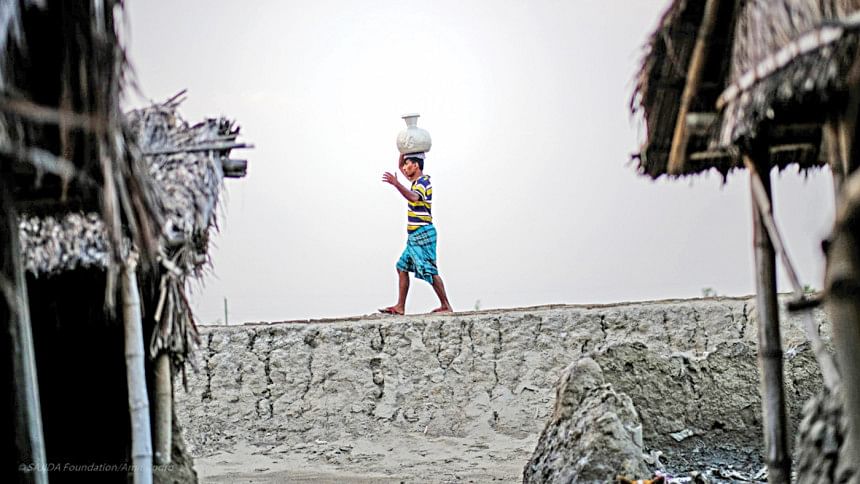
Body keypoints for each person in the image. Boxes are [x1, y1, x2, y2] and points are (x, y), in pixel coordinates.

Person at [380, 152, 452, 314]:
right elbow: (400, 166)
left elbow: (414, 197)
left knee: (429, 269)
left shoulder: (423, 182)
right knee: (401, 267)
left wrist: (396, 184)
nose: (404, 168)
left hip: (423, 233)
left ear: (416, 165)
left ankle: (446, 305)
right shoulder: (415, 181)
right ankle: (400, 307)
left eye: (408, 164)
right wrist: (403, 150)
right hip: (414, 236)